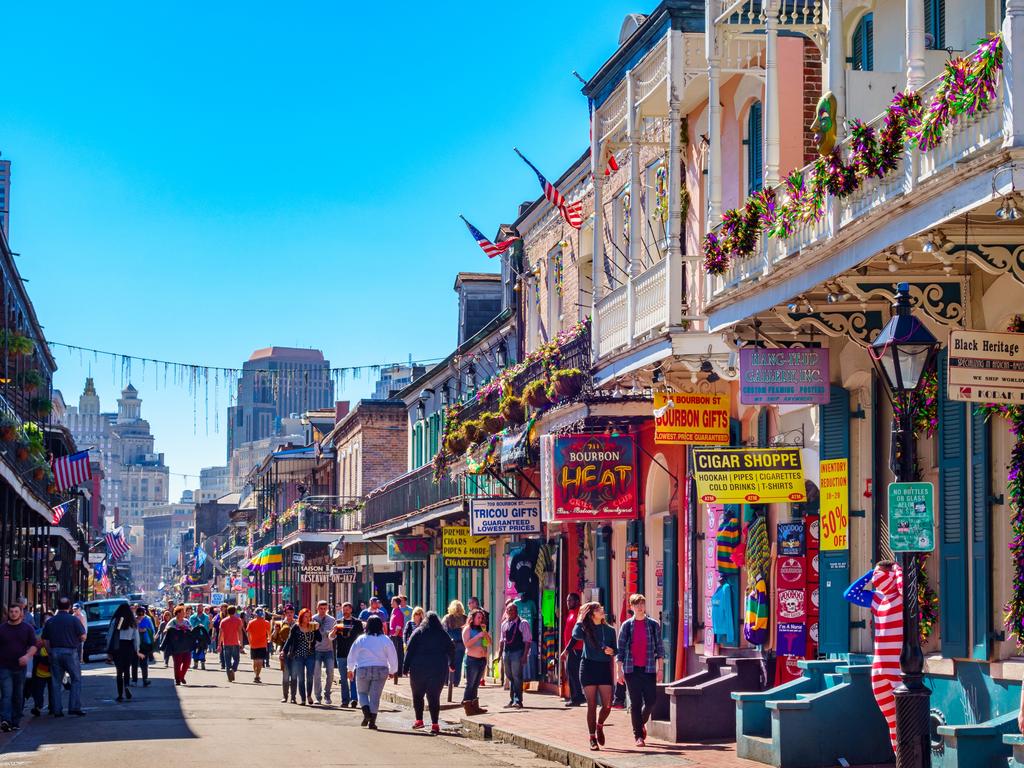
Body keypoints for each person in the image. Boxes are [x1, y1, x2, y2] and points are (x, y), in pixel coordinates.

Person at [616, 594, 664, 747]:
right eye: (636, 605)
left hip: (649, 668)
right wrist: (619, 671)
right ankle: (638, 736)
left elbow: (660, 648)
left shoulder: (653, 625)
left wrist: (660, 668)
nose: (640, 607)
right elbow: (620, 650)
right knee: (635, 703)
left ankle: (640, 722)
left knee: (651, 701)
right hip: (631, 670)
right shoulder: (626, 626)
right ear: (631, 607)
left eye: (642, 604)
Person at [573, 601, 617, 751]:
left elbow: (616, 650)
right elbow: (575, 635)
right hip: (588, 667)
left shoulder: (610, 630)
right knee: (591, 705)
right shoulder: (585, 628)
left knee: (607, 705)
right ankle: (592, 737)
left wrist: (612, 651)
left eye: (601, 608)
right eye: (598, 609)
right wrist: (580, 618)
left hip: (604, 668)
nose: (602, 610)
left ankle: (600, 725)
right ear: (592, 614)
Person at [403, 611, 454, 734]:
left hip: (418, 669)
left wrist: (405, 668)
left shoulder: (418, 632)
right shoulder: (442, 633)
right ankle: (435, 724)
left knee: (417, 695)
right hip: (438, 669)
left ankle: (419, 721)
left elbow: (409, 651)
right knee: (434, 697)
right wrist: (451, 664)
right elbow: (451, 648)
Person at [347, 615, 397, 730]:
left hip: (363, 668)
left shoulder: (361, 639)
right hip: (381, 669)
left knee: (362, 693)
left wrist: (350, 669)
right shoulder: (385, 639)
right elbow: (392, 655)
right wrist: (392, 670)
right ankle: (372, 721)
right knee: (375, 696)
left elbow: (352, 654)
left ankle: (366, 714)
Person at [41, 596, 85, 717]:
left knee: (56, 682)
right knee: (76, 679)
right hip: (70, 651)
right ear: (69, 607)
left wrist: (49, 651)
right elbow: (83, 636)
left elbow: (44, 639)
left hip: (55, 651)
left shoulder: (50, 621)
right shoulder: (74, 620)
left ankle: (57, 710)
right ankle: (74, 707)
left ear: (57, 607)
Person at [0, 602, 37, 732]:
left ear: (21, 613)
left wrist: (27, 657)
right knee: (6, 694)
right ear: (8, 613)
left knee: (18, 695)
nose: (13, 614)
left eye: (16, 611)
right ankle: (5, 720)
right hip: (4, 667)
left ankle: (15, 721)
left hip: (20, 668)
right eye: (11, 612)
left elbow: (34, 646)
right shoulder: (2, 629)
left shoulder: (27, 628)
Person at [282, 608, 320, 705]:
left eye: (309, 617)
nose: (307, 619)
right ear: (301, 617)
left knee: (310, 677)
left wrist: (317, 629)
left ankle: (309, 695)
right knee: (301, 678)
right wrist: (284, 651)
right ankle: (303, 698)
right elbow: (289, 640)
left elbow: (319, 639)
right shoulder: (296, 627)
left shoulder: (312, 626)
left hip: (310, 655)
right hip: (298, 656)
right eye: (305, 617)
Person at [106, 603, 142, 702]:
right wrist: (137, 649)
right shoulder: (132, 621)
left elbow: (111, 635)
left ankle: (120, 694)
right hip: (129, 646)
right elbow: (136, 637)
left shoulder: (116, 621)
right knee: (127, 669)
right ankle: (126, 685)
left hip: (118, 646)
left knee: (119, 671)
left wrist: (108, 648)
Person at [498, 602, 531, 709]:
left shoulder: (523, 623)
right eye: (508, 610)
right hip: (506, 652)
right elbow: (502, 640)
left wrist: (525, 655)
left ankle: (518, 700)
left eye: (512, 610)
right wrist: (499, 653)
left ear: (516, 611)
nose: (509, 612)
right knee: (509, 675)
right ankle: (512, 699)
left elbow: (527, 641)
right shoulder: (504, 624)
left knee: (517, 676)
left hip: (517, 652)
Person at [331, 602, 362, 708]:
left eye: (347, 609)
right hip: (341, 654)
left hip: (354, 655)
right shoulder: (338, 622)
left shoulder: (357, 623)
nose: (345, 611)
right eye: (344, 610)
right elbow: (331, 637)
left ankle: (354, 699)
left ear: (351, 610)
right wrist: (334, 631)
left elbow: (362, 638)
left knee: (353, 678)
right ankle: (345, 700)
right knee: (343, 678)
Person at [461, 608, 490, 715]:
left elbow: (489, 642)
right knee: (470, 684)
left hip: (482, 660)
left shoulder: (481, 629)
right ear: (472, 618)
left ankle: (475, 706)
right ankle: (468, 707)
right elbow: (467, 644)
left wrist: (485, 633)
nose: (480, 619)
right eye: (478, 617)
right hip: (472, 660)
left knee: (476, 684)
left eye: (481, 618)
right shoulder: (467, 629)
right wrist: (478, 636)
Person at [559, 593, 586, 707]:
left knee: (573, 673)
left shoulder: (579, 613)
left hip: (577, 649)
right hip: (571, 649)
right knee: (571, 673)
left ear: (577, 601)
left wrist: (566, 649)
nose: (568, 602)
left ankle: (576, 698)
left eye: (570, 600)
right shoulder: (570, 613)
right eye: (567, 600)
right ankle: (578, 696)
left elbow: (576, 635)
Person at [160, 606, 196, 686]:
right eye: (182, 612)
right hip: (176, 647)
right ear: (178, 613)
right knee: (177, 664)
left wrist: (186, 629)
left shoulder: (186, 621)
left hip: (186, 646)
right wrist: (171, 629)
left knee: (187, 662)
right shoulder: (173, 621)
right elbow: (166, 630)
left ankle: (182, 676)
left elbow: (191, 629)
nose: (184, 613)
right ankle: (177, 680)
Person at [312, 600, 336, 705]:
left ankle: (327, 694)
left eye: (324, 608)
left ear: (327, 609)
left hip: (328, 650)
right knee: (317, 674)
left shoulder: (332, 620)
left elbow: (333, 635)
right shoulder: (313, 619)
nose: (323, 610)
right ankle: (318, 696)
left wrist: (332, 633)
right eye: (321, 608)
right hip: (316, 650)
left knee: (330, 673)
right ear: (317, 608)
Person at [272, 605, 296, 703]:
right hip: (284, 652)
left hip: (295, 651)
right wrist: (276, 630)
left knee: (294, 676)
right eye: (287, 613)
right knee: (285, 675)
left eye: (291, 613)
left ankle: (293, 697)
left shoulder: (297, 623)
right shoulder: (280, 624)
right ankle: (285, 696)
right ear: (285, 614)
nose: (289, 615)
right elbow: (273, 638)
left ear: (293, 613)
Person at [441, 600, 467, 688]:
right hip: (461, 644)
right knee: (458, 663)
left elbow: (443, 630)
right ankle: (456, 682)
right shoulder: (465, 618)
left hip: (449, 643)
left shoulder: (447, 618)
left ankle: (447, 681)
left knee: (448, 662)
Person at [218, 605, 244, 682]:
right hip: (235, 642)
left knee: (227, 660)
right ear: (235, 611)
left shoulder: (223, 621)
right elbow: (240, 632)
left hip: (226, 643)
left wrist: (219, 644)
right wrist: (241, 643)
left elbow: (220, 634)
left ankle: (229, 675)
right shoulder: (238, 620)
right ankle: (233, 668)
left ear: (227, 612)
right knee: (236, 659)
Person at [246, 608, 271, 683]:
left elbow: (248, 633)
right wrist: (269, 639)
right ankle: (257, 675)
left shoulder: (251, 622)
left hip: (253, 644)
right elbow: (269, 633)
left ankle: (256, 675)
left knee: (255, 661)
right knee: (260, 661)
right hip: (263, 644)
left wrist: (249, 641)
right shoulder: (266, 622)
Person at [135, 606, 155, 687]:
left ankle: (145, 679)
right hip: (136, 644)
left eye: (142, 614)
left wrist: (146, 630)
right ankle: (133, 680)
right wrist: (137, 627)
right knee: (135, 663)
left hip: (145, 644)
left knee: (144, 662)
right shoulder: (134, 620)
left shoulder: (148, 619)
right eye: (139, 615)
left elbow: (153, 630)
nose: (140, 616)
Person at [388, 596, 405, 684]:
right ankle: (393, 672)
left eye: (392, 601)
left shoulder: (399, 612)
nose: (391, 602)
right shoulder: (393, 611)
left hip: (396, 637)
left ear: (396, 603)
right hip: (392, 635)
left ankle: (397, 673)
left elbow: (399, 625)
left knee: (396, 654)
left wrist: (395, 634)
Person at [189, 603, 210, 670]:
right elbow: (190, 626)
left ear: (202, 608)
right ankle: (195, 664)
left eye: (200, 607)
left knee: (203, 649)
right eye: (198, 607)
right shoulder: (192, 617)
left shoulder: (206, 617)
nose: (199, 609)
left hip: (203, 636)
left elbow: (209, 627)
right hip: (195, 636)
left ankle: (203, 664)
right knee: (195, 650)